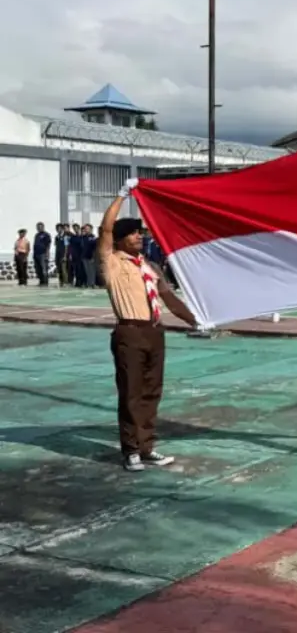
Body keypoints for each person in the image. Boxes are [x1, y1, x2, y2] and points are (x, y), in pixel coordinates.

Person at [98, 178, 197, 472]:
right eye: (132, 234)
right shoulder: (111, 262)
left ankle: (146, 446)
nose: (138, 237)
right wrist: (120, 196)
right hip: (129, 331)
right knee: (131, 392)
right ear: (119, 240)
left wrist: (195, 319)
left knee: (152, 392)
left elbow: (169, 299)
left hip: (155, 332)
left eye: (139, 233)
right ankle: (130, 451)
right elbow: (105, 229)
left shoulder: (149, 266)